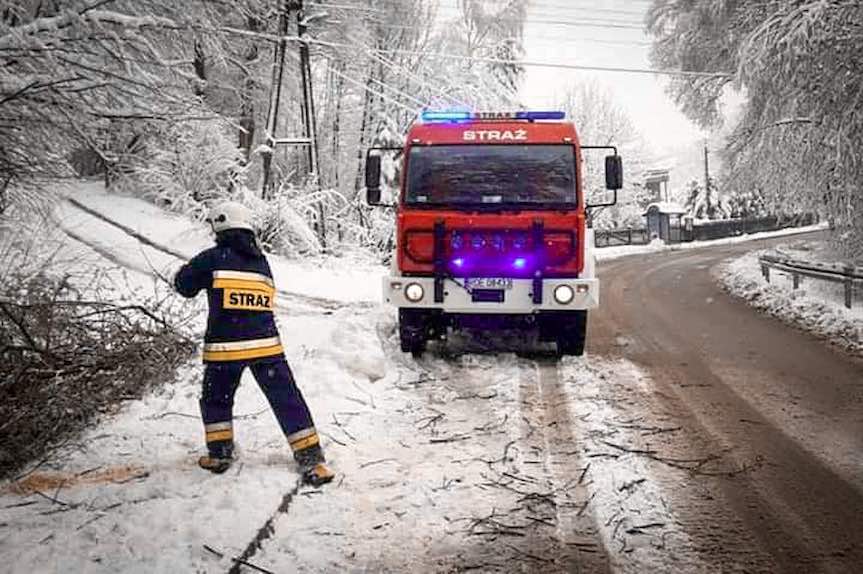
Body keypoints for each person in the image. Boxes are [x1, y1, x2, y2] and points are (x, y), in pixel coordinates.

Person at [173, 201, 334, 486]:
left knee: (216, 399)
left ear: (219, 227)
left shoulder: (211, 259)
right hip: (266, 348)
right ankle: (312, 460)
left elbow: (184, 286)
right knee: (287, 399)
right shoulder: (262, 262)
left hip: (226, 349)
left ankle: (220, 454)